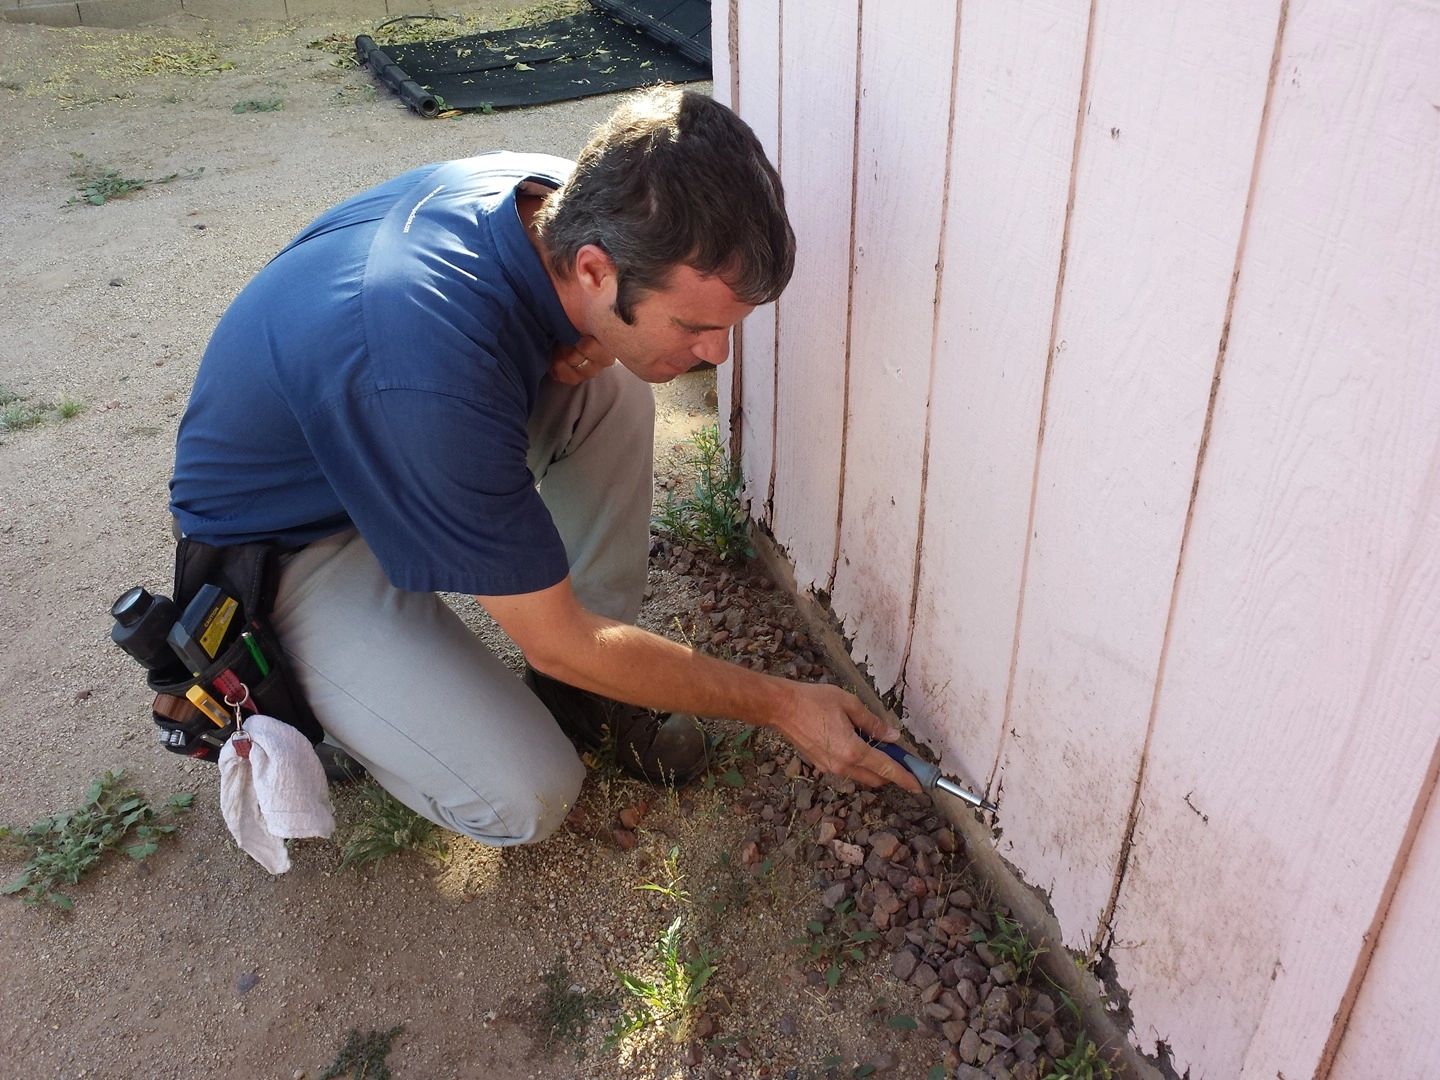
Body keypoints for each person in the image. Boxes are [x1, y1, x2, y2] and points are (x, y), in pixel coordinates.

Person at [168, 85, 920, 847]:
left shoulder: (558, 200)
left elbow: (550, 334)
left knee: (618, 380)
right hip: (292, 540)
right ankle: (310, 680)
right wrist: (783, 703)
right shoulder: (428, 365)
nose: (718, 353)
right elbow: (551, 631)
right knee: (526, 792)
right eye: (695, 325)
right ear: (594, 271)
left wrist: (596, 342)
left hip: (387, 434)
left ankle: (584, 694)